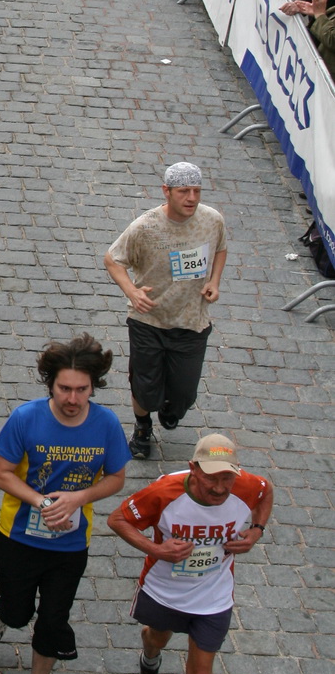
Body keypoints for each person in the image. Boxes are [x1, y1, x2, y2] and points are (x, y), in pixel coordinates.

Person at [0, 333, 130, 674]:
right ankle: (2, 609)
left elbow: (117, 478)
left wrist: (80, 497)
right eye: (65, 388)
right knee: (17, 612)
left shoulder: (107, 425)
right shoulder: (27, 419)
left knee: (52, 620)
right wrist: (42, 501)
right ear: (50, 384)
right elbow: (2, 473)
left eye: (82, 389)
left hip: (70, 546)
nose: (73, 397)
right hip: (19, 537)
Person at [108, 433, 272, 674]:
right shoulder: (164, 493)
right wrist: (157, 549)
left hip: (212, 598)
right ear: (194, 469)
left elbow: (265, 493)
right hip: (165, 591)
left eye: (226, 478)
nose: (219, 487)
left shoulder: (245, 486)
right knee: (156, 637)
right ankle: (148, 667)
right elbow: (118, 520)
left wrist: (256, 533)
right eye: (211, 478)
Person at [104, 162, 227, 462]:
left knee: (185, 394)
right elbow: (112, 259)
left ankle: (172, 410)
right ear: (167, 192)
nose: (191, 198)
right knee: (145, 388)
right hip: (149, 319)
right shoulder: (144, 227)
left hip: (191, 321)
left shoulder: (212, 220)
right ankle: (143, 427)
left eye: (196, 191)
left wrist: (214, 280)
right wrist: (132, 291)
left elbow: (221, 247)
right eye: (184, 191)